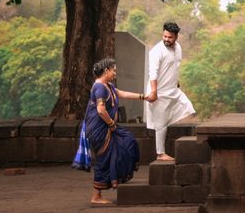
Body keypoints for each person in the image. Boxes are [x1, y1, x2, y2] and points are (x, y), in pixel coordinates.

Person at [71, 57, 147, 205]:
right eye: (114, 70)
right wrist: (112, 124)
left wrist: (144, 97)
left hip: (108, 126)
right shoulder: (99, 87)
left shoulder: (108, 86)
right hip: (99, 129)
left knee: (128, 141)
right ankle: (96, 196)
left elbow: (122, 93)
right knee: (104, 158)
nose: (115, 73)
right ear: (106, 71)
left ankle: (118, 175)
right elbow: (100, 110)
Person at [145, 22, 196, 161]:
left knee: (189, 108)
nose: (167, 39)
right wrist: (153, 92)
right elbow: (153, 74)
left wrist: (176, 81)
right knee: (160, 124)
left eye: (170, 37)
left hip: (173, 89)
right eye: (165, 36)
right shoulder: (156, 51)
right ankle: (160, 154)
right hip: (159, 92)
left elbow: (175, 66)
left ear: (176, 36)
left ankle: (169, 121)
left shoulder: (178, 48)